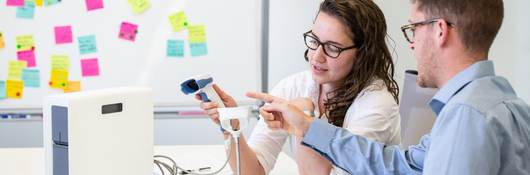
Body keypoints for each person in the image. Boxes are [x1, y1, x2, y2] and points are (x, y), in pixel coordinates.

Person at [248, 0, 530, 174]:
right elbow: (398, 165)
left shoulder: (467, 116)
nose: (412, 43)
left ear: (440, 31)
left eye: (414, 28)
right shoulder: (505, 103)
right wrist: (307, 127)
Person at [196, 0, 401, 174]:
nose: (316, 56)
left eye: (332, 47)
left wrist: (304, 119)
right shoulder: (295, 86)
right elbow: (254, 170)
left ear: (363, 54)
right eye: (314, 40)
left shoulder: (376, 104)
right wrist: (231, 128)